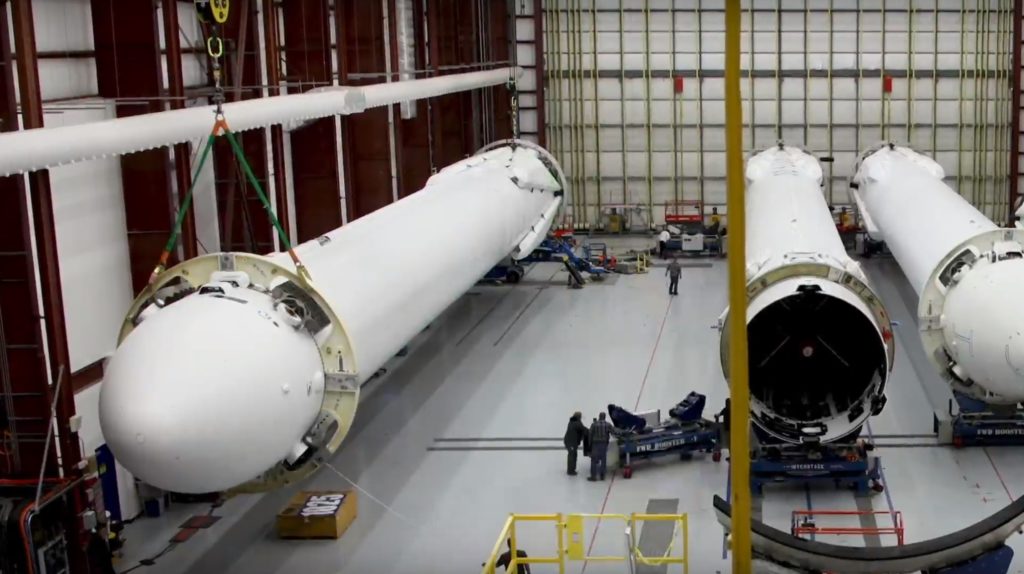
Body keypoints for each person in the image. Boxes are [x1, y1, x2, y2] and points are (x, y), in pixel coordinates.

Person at [587, 412, 614, 481]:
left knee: (594, 460)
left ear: (599, 416)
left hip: (595, 444)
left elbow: (590, 434)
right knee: (603, 459)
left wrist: (589, 444)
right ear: (604, 417)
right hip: (604, 444)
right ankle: (602, 475)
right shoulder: (608, 424)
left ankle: (593, 476)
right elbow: (613, 432)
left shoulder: (594, 424)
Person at [563, 411, 588, 476]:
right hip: (571, 442)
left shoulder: (572, 421)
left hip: (570, 441)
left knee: (573, 455)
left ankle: (572, 469)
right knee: (572, 456)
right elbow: (584, 429)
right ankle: (570, 471)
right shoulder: (576, 423)